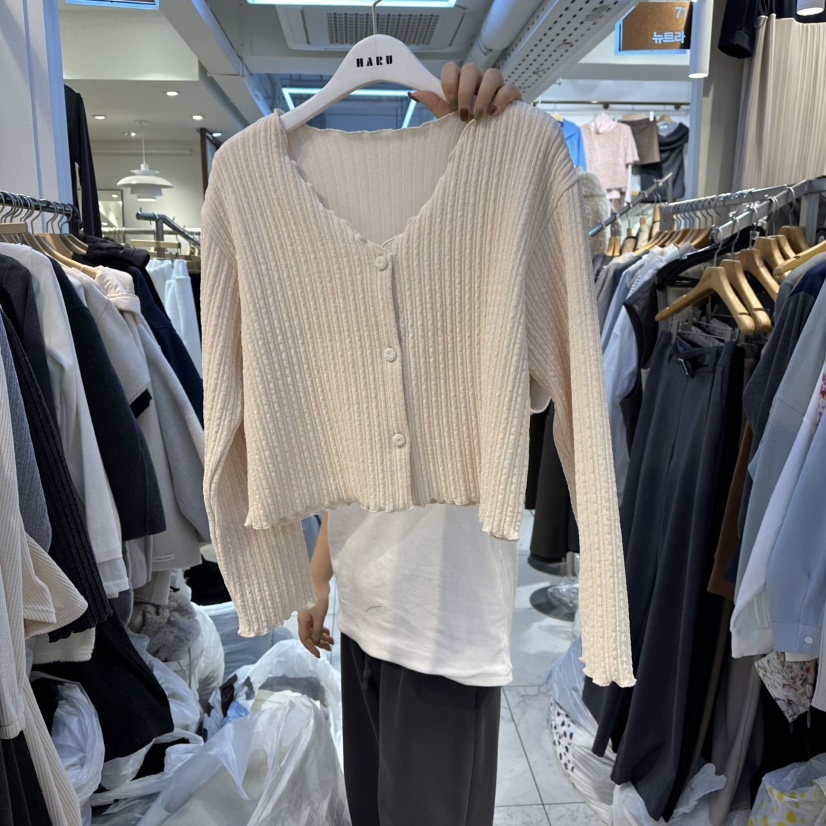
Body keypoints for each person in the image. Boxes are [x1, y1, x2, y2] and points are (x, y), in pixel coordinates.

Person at [297, 63, 525, 826]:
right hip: (364, 608)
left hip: (445, 629)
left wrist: (506, 144)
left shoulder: (487, 262)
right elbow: (351, 459)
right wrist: (320, 575)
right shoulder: (338, 282)